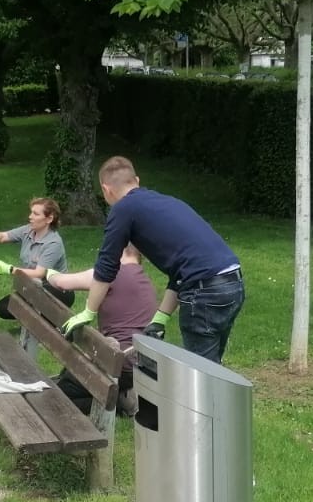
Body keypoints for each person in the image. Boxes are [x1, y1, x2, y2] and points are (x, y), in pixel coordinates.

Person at [64, 156, 243, 364]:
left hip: (205, 290)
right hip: (232, 283)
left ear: (106, 189)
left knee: (202, 371)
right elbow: (182, 271)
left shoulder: (122, 209)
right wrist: (160, 319)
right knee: (212, 367)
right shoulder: (167, 202)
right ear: (137, 181)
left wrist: (89, 311)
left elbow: (106, 266)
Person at [17, 244, 158, 414]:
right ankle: (121, 397)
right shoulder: (144, 280)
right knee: (68, 380)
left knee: (59, 396)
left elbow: (61, 283)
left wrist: (47, 272)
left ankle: (118, 405)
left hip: (116, 365)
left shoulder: (110, 273)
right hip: (138, 366)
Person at [0, 197, 73, 319]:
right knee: (2, 308)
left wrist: (9, 269)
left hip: (57, 291)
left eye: (36, 214)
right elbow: (4, 236)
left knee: (25, 309)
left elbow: (39, 273)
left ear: (49, 219)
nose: (30, 217)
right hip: (33, 286)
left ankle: (44, 322)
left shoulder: (53, 243)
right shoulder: (28, 230)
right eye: (31, 212)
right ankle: (36, 320)